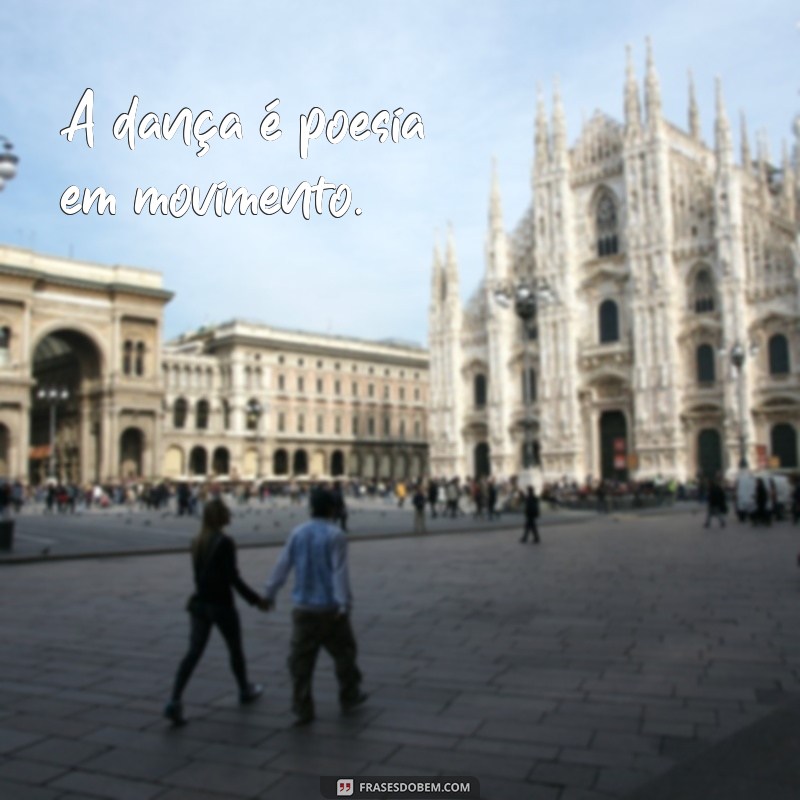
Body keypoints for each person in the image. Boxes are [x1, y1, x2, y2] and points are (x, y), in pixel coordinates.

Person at [262, 488, 366, 726]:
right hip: (330, 610)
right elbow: (340, 572)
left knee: (300, 662)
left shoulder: (297, 532)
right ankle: (349, 696)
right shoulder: (336, 534)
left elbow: (282, 565)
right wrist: (344, 604)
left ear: (310, 508)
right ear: (332, 509)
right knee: (345, 655)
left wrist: (269, 593)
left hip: (304, 609)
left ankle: (302, 707)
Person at [164, 498, 266, 726]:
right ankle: (244, 690)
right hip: (221, 604)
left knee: (193, 653)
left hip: (199, 604)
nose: (230, 514)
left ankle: (174, 700)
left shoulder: (196, 541)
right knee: (235, 650)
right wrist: (256, 600)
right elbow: (233, 578)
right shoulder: (225, 542)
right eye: (227, 511)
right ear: (220, 517)